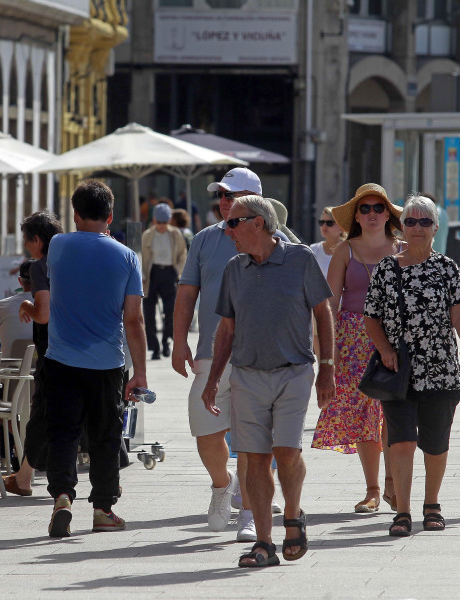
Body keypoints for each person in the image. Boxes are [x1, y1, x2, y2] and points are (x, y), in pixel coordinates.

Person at [204, 195, 334, 567]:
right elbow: (226, 327)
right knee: (254, 459)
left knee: (287, 452)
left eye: (232, 223)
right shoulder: (234, 268)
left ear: (257, 223)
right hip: (247, 375)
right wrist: (214, 378)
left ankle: (293, 514)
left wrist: (327, 366)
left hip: (294, 371)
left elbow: (322, 311)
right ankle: (264, 543)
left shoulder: (300, 259)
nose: (226, 230)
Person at [172, 166, 292, 543]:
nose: (223, 202)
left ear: (254, 203)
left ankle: (249, 514)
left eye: (231, 195)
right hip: (212, 350)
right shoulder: (205, 240)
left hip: (263, 355)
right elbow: (187, 292)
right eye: (221, 195)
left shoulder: (281, 240)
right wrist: (178, 342)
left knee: (253, 435)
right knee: (204, 429)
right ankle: (222, 484)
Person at [364, 194, 460, 536]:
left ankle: (432, 504)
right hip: (399, 368)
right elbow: (371, 318)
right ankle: (402, 511)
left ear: (435, 227)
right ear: (401, 227)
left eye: (424, 221)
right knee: (400, 440)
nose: (416, 227)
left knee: (436, 441)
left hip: (440, 366)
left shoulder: (446, 267)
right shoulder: (387, 268)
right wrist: (383, 349)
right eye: (410, 221)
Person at [43, 180, 147, 538]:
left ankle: (62, 496)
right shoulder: (127, 257)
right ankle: (103, 508)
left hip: (60, 359)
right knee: (105, 436)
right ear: (111, 216)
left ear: (74, 215)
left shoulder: (57, 245)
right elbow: (133, 320)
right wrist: (141, 373)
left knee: (63, 432)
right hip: (106, 362)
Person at [311, 183, 403, 513]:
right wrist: (325, 356)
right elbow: (328, 306)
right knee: (366, 415)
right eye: (365, 209)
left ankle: (396, 484)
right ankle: (374, 489)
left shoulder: (402, 250)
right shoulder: (345, 251)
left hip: (396, 339)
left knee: (394, 413)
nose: (372, 214)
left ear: (388, 214)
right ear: (356, 217)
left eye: (379, 208)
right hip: (352, 341)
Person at [2, 211, 63, 497]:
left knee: (40, 414)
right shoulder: (68, 262)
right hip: (77, 344)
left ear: (37, 240)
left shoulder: (40, 267)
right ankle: (24, 475)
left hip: (52, 350)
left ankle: (26, 478)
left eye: (27, 241)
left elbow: (43, 314)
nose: (26, 247)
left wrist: (26, 307)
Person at [141, 202, 187, 360]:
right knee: (149, 313)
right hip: (152, 274)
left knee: (170, 311)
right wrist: (143, 276)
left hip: (169, 273)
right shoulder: (147, 234)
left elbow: (182, 254)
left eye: (164, 222)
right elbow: (144, 258)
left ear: (169, 221)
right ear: (154, 220)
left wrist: (178, 272)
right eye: (158, 222)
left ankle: (167, 341)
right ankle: (154, 347)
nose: (161, 226)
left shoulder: (175, 234)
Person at [0, 259, 33, 352]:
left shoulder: (2, 306)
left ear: (20, 281)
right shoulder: (55, 308)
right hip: (47, 366)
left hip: (10, 366)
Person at [309, 206, 345, 278]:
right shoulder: (313, 250)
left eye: (329, 223)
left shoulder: (350, 251)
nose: (324, 226)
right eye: (322, 222)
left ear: (341, 227)